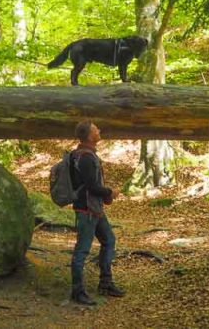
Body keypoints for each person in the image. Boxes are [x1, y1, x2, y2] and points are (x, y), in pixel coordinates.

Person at [69, 120, 125, 305]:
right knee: (82, 250)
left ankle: (105, 283)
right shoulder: (85, 157)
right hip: (87, 210)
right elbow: (92, 187)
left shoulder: (82, 154)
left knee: (109, 240)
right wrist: (111, 192)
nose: (99, 130)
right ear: (89, 135)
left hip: (93, 209)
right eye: (95, 129)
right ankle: (77, 291)